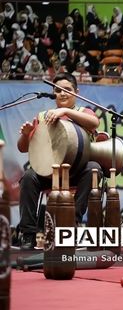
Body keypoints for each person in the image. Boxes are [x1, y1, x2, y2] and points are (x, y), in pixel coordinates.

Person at [17, 72, 103, 249]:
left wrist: (65, 111)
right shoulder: (43, 116)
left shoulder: (83, 112)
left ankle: (72, 225)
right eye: (58, 90)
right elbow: (23, 148)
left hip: (77, 172)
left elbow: (94, 123)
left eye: (67, 89)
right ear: (53, 93)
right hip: (49, 173)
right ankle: (28, 235)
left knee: (94, 168)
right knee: (28, 177)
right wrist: (26, 135)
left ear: (76, 92)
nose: (62, 93)